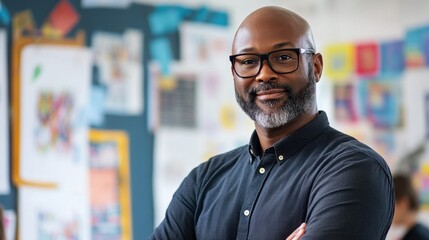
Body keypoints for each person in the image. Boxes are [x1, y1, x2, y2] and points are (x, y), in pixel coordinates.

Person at [149, 6, 394, 240]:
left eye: (284, 57)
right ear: (234, 72)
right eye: (248, 61)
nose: (264, 74)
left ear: (316, 67)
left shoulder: (353, 169)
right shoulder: (204, 180)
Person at [391, 174, 429, 240]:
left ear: (403, 203)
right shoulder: (419, 233)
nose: (388, 213)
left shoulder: (418, 236)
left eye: (391, 206)